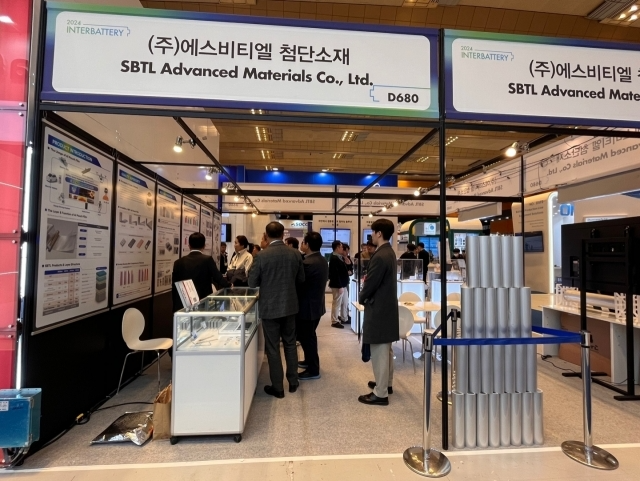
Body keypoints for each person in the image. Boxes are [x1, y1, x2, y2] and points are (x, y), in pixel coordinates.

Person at [248, 221, 305, 398]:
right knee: (290, 343)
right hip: (290, 305)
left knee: (273, 347)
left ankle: (278, 387)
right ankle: (293, 382)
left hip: (269, 307)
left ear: (266, 235)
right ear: (283, 234)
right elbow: (301, 279)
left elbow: (252, 283)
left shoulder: (261, 256)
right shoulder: (295, 254)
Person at [358, 219, 399, 406]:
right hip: (387, 307)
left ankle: (380, 393)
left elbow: (370, 283)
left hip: (379, 308)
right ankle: (386, 384)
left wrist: (361, 297)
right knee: (386, 349)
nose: (372, 235)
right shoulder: (389, 252)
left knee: (380, 350)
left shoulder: (380, 255)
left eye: (373, 232)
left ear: (379, 233)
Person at [296, 231, 328, 380]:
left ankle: (313, 369)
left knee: (307, 338)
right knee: (308, 337)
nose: (301, 244)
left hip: (307, 307)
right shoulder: (321, 259)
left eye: (303, 242)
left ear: (307, 245)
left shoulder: (308, 263)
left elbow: (299, 283)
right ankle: (309, 361)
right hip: (316, 306)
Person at [172, 232, 228, 312]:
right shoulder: (207, 260)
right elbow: (218, 277)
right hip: (203, 302)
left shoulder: (178, 262)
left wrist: (175, 308)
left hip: (184, 305)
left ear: (189, 245)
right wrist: (229, 285)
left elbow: (174, 286)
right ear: (204, 246)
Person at [328, 240, 349, 329]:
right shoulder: (334, 258)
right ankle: (334, 320)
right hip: (338, 285)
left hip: (343, 284)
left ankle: (344, 317)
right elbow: (334, 274)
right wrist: (339, 285)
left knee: (344, 302)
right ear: (337, 248)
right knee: (337, 303)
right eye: (341, 247)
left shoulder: (339, 257)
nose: (342, 249)